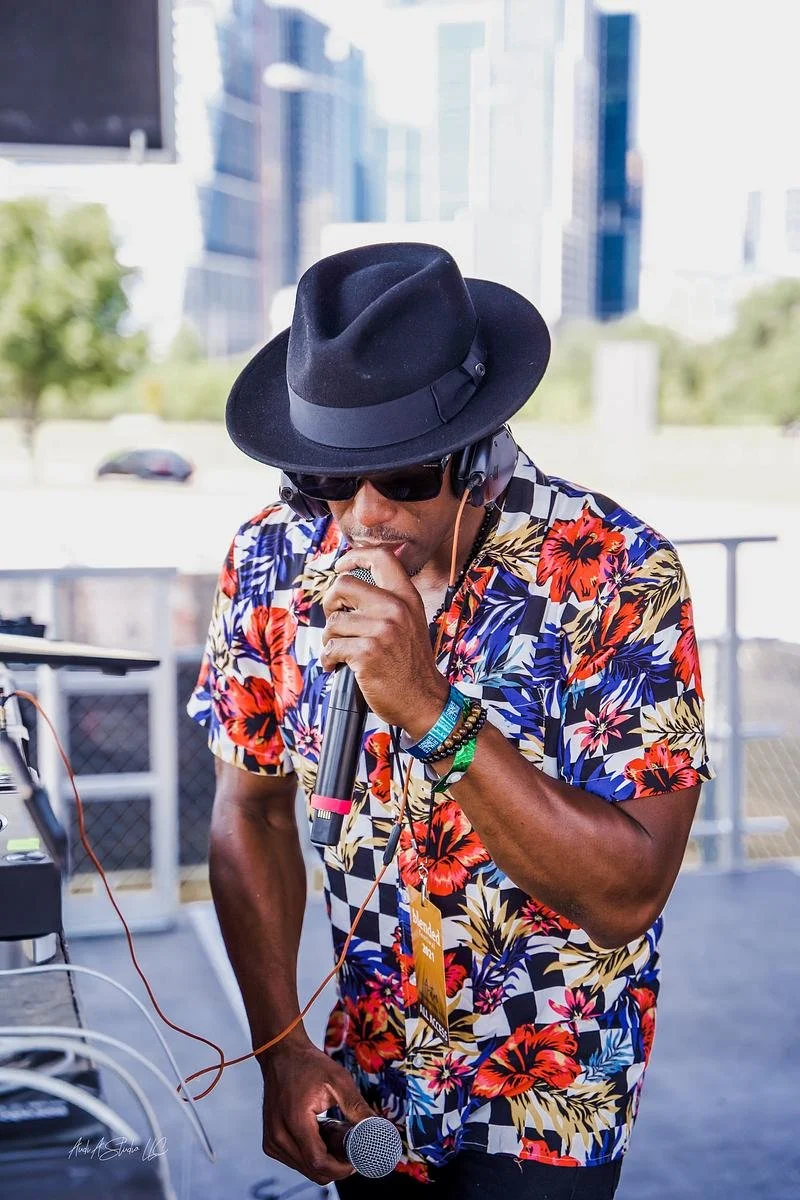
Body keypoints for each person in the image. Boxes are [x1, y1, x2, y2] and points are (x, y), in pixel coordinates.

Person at [188, 242, 713, 1199]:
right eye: (324, 480)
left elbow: (629, 893)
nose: (363, 516)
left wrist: (430, 708)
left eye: (402, 477)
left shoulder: (615, 572)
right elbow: (249, 811)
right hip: (367, 1079)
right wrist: (281, 1045)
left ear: (477, 457)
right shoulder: (270, 559)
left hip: (550, 1091)